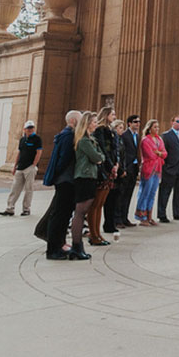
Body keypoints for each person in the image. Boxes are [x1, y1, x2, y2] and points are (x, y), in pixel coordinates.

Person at [42, 110, 79, 259]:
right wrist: (59, 175)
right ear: (72, 121)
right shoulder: (68, 135)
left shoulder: (70, 134)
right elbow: (63, 159)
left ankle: (60, 244)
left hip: (66, 180)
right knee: (59, 215)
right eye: (80, 119)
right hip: (65, 180)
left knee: (64, 215)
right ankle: (53, 249)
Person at [71, 111, 105, 260]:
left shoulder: (91, 139)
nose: (96, 124)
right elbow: (97, 157)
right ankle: (76, 246)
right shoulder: (84, 140)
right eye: (94, 122)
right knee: (80, 212)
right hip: (84, 177)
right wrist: (99, 158)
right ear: (87, 123)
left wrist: (99, 158)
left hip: (90, 176)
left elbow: (101, 156)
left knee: (82, 212)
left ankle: (77, 247)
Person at [0, 119, 42, 217]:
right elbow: (19, 152)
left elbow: (39, 152)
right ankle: (10, 208)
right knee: (15, 189)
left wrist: (34, 165)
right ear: (24, 129)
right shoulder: (22, 139)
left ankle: (26, 209)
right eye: (28, 128)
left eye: (32, 128)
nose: (30, 129)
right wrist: (15, 166)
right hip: (20, 167)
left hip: (29, 167)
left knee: (28, 189)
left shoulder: (37, 139)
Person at [89, 106, 118, 246]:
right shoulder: (100, 130)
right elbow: (102, 149)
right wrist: (111, 165)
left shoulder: (111, 131)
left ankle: (98, 233)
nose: (114, 116)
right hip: (103, 169)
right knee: (96, 204)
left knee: (101, 204)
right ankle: (93, 234)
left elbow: (114, 149)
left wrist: (116, 164)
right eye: (112, 114)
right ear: (106, 115)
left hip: (110, 168)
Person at [158, 115, 179, 222]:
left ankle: (177, 213)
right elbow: (163, 151)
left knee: (178, 192)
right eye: (178, 121)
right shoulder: (166, 135)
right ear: (172, 122)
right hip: (170, 168)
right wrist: (166, 167)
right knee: (165, 191)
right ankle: (161, 214)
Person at [135, 119, 167, 225]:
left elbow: (165, 153)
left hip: (157, 169)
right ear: (149, 129)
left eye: (158, 127)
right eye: (155, 127)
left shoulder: (159, 139)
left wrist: (158, 153)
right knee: (145, 192)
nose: (157, 129)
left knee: (153, 193)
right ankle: (141, 216)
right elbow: (150, 155)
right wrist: (159, 153)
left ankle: (149, 216)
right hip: (148, 169)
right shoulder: (145, 140)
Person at [103, 120, 126, 238]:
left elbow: (122, 156)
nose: (122, 130)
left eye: (122, 128)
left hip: (119, 171)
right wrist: (116, 168)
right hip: (113, 172)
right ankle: (108, 223)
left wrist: (123, 169)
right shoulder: (111, 140)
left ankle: (112, 222)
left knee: (115, 199)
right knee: (109, 200)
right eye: (120, 127)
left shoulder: (120, 140)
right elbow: (111, 155)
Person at [117, 115, 140, 227]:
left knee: (129, 194)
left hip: (134, 168)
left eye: (139, 121)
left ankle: (125, 217)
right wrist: (123, 168)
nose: (138, 124)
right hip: (127, 167)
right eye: (135, 122)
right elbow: (122, 153)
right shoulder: (124, 135)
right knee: (121, 194)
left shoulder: (137, 136)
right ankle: (118, 219)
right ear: (129, 123)